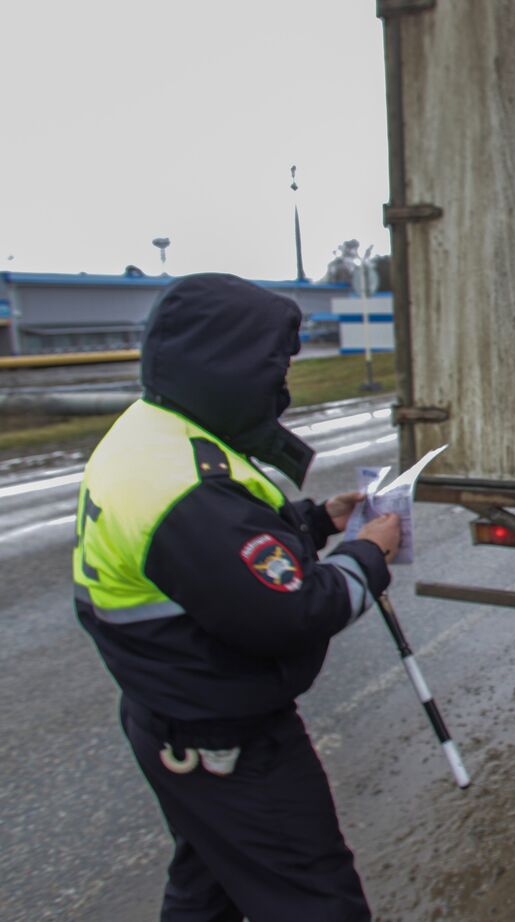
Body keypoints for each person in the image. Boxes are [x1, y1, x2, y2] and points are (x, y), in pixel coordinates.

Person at [73, 273, 401, 920]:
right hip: (225, 739)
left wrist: (316, 522)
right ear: (224, 364)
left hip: (169, 714)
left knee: (210, 884)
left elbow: (220, 558)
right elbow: (292, 612)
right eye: (273, 366)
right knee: (316, 898)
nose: (281, 383)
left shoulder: (154, 431)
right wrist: (371, 552)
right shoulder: (188, 491)